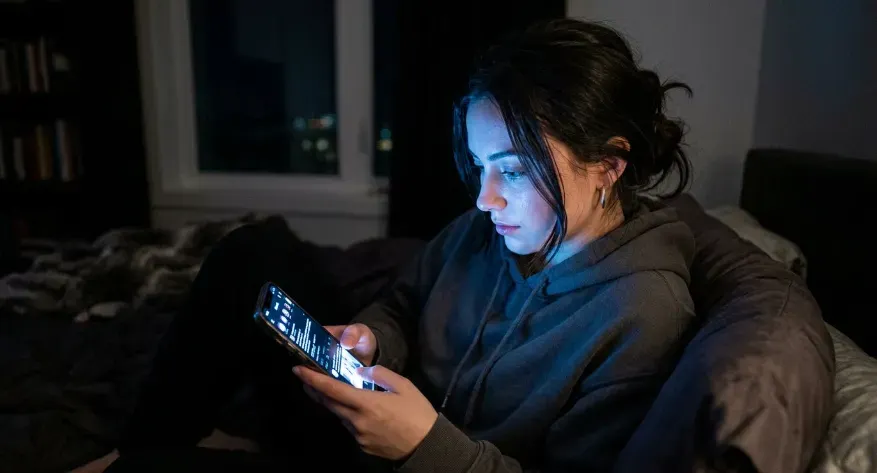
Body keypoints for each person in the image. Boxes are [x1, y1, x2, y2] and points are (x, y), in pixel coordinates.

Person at [75, 18, 698, 473]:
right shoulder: (488, 231)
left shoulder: (641, 314)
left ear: (609, 165)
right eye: (480, 167)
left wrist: (423, 445)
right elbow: (404, 300)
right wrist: (372, 339)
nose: (485, 200)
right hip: (377, 411)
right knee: (253, 249)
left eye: (511, 169)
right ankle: (137, 444)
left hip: (421, 460)